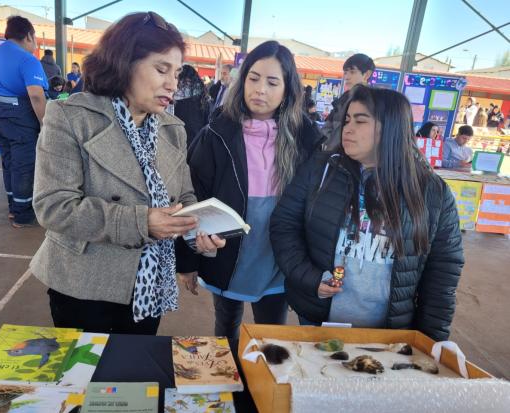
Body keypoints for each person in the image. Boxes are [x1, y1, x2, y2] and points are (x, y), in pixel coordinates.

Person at [30, 12, 225, 335]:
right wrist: (140, 222)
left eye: (176, 73)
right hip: (83, 285)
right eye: (161, 69)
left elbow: (185, 197)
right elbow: (54, 206)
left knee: (133, 380)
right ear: (123, 62)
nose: (172, 84)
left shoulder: (173, 129)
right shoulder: (71, 117)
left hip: (148, 286)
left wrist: (200, 232)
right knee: (87, 380)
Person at [270, 84, 464, 342]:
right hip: (317, 319)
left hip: (388, 333)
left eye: (360, 121)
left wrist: (432, 341)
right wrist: (310, 278)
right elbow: (284, 225)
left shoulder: (432, 192)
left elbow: (443, 271)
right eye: (347, 119)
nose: (347, 128)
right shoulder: (321, 169)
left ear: (391, 128)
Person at [176, 40, 324, 339]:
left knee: (271, 331)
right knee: (227, 325)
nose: (260, 90)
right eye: (253, 78)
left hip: (279, 255)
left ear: (287, 89)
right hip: (228, 252)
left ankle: (262, 381)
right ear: (242, 81)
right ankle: (229, 377)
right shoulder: (216, 135)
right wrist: (188, 259)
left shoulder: (307, 140)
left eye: (272, 82)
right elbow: (192, 196)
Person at [0, 15, 48, 228]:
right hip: (19, 118)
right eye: (34, 37)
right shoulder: (28, 60)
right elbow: (36, 96)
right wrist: (46, 125)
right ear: (28, 35)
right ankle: (22, 215)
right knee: (24, 165)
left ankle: (13, 207)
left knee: (9, 161)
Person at [322, 53, 375, 150]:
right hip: (335, 157)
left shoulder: (374, 102)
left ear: (367, 74)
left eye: (352, 72)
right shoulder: (343, 99)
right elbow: (326, 127)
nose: (347, 77)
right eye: (345, 72)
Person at [173, 64, 210, 147]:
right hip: (197, 139)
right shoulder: (203, 95)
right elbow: (207, 120)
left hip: (177, 137)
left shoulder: (174, 95)